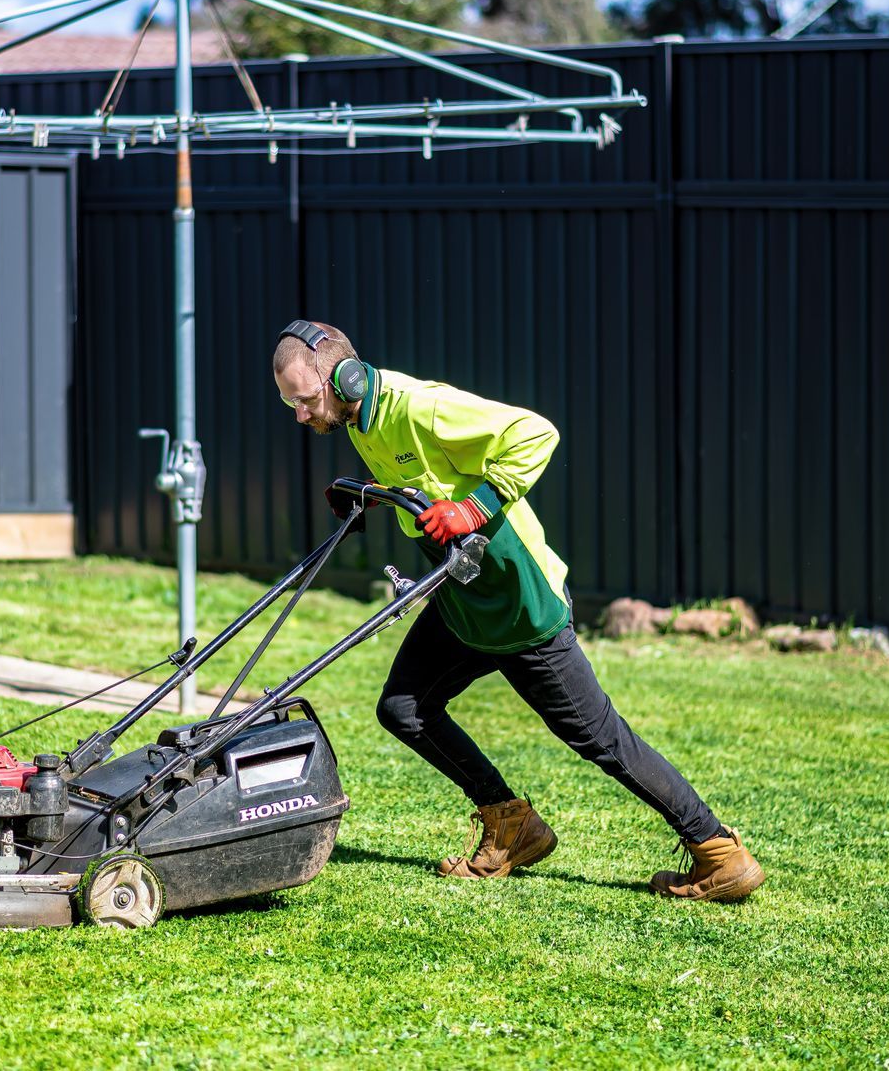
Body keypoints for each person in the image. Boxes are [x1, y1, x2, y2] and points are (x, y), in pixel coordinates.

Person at [272, 320, 764, 901]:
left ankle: (717, 850)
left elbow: (535, 433)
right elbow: (426, 481)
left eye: (305, 401)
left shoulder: (419, 406)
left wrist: (474, 509)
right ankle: (510, 823)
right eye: (291, 405)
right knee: (405, 708)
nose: (301, 417)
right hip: (467, 597)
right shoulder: (360, 419)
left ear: (346, 378)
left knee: (599, 737)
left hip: (521, 601)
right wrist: (367, 493)